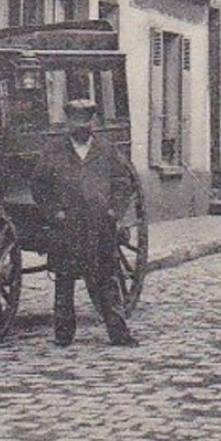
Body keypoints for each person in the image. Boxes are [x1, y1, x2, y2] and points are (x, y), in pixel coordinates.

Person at [30, 99, 138, 348]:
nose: (81, 126)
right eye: (76, 121)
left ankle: (119, 333)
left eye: (86, 120)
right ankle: (63, 335)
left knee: (107, 280)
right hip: (67, 227)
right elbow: (39, 186)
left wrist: (114, 211)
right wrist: (54, 212)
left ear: (93, 122)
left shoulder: (106, 150)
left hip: (99, 226)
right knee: (64, 283)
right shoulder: (54, 152)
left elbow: (123, 182)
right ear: (68, 122)